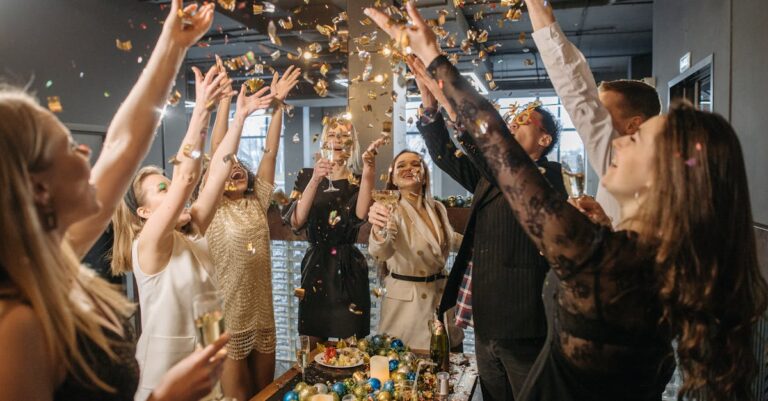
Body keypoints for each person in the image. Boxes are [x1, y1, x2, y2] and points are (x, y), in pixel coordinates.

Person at [367, 2, 768, 400]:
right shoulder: (641, 258)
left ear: (666, 179)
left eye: (638, 138)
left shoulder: (607, 265)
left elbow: (496, 146)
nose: (620, 141)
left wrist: (436, 60)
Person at [0, 1, 231, 400]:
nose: (89, 154)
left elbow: (123, 145)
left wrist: (172, 45)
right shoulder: (16, 322)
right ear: (39, 189)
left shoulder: (56, 255)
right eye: (70, 147)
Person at [405, 52, 567, 399]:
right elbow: (446, 156)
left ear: (544, 140)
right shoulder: (491, 177)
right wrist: (429, 104)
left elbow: (492, 160)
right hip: (486, 319)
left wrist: (454, 103)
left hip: (523, 322)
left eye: (525, 120)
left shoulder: (549, 178)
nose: (512, 124)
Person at [110, 63, 273, 401]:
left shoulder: (194, 232)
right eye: (161, 189)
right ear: (143, 212)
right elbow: (187, 178)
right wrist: (201, 110)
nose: (173, 192)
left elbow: (217, 172)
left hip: (205, 382)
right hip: (162, 383)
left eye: (168, 185)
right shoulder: (149, 244)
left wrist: (240, 117)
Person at [205, 65, 301, 401]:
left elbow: (270, 152)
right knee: (236, 398)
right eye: (228, 170)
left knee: (265, 394)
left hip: (263, 316)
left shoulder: (257, 201)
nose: (235, 171)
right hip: (227, 321)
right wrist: (228, 107)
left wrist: (277, 107)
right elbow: (221, 151)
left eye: (239, 169)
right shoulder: (212, 208)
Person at [528, 6, 661, 225]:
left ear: (633, 125)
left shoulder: (627, 161)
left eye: (601, 115)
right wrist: (602, 224)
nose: (592, 121)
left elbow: (575, 88)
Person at [282, 117, 385, 343]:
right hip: (316, 266)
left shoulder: (357, 180)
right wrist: (316, 179)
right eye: (332, 134)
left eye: (345, 135)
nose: (338, 139)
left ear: (352, 144)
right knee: (311, 341)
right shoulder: (306, 175)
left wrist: (369, 170)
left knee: (350, 346)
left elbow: (360, 215)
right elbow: (297, 221)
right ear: (324, 142)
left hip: (348, 268)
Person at [367, 150, 464, 350]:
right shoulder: (389, 207)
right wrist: (378, 229)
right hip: (407, 309)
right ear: (393, 177)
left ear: (425, 175)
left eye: (415, 164)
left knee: (448, 369)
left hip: (440, 300)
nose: (409, 168)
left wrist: (484, 242)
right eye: (401, 165)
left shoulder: (437, 207)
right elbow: (381, 252)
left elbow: (451, 239)